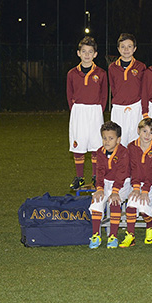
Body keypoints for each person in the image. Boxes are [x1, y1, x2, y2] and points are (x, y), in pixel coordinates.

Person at [67, 36, 108, 189]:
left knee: (96, 145)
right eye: (84, 51)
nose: (87, 55)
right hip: (79, 111)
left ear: (95, 54)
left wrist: (98, 109)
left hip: (95, 111)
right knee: (79, 144)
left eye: (90, 52)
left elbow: (104, 95)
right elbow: (69, 94)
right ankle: (80, 177)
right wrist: (77, 110)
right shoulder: (72, 73)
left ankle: (95, 177)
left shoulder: (101, 73)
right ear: (78, 53)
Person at [119, 117, 152, 248]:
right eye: (144, 131)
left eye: (151, 133)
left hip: (151, 183)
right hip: (135, 182)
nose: (147, 135)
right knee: (131, 204)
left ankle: (150, 227)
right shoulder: (132, 147)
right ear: (138, 131)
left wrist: (145, 190)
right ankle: (130, 235)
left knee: (144, 208)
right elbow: (133, 168)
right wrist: (136, 188)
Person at [88, 121, 132, 249]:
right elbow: (99, 172)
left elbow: (122, 173)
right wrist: (99, 188)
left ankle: (113, 236)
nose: (107, 141)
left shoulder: (123, 152)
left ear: (118, 139)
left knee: (115, 202)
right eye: (104, 138)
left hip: (122, 183)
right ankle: (96, 235)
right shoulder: (99, 152)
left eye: (111, 138)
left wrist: (115, 191)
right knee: (96, 202)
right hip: (105, 183)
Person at [108, 33, 146, 146]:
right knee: (117, 141)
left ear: (134, 48)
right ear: (118, 49)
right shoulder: (112, 67)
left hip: (135, 107)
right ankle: (119, 164)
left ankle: (134, 164)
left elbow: (143, 89)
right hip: (119, 109)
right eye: (123, 46)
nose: (126, 49)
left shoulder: (141, 67)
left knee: (135, 142)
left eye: (129, 46)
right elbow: (114, 88)